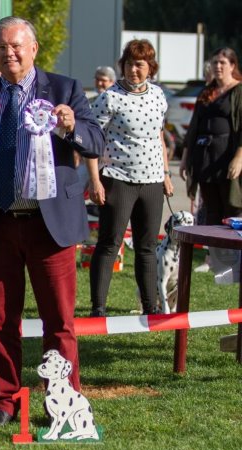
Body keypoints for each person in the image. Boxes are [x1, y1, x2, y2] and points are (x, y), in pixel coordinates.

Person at [0, 16, 104, 427]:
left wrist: (70, 126)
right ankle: (4, 402)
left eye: (15, 46)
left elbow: (96, 139)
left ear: (33, 48)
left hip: (50, 227)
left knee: (59, 323)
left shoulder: (64, 89)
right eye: (0, 47)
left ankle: (61, 403)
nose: (8, 53)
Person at [86, 39, 174, 317]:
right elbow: (90, 141)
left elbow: (158, 136)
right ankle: (98, 308)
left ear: (150, 68)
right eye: (128, 64)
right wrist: (95, 180)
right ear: (121, 66)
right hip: (117, 178)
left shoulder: (158, 95)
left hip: (152, 181)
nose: (133, 70)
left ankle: (150, 308)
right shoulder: (109, 97)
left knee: (147, 247)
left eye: (140, 64)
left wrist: (166, 174)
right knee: (110, 243)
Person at [180, 47, 242, 227]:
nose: (218, 66)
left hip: (227, 158)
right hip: (204, 158)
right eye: (215, 62)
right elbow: (193, 127)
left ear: (232, 65)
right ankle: (213, 254)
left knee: (231, 207)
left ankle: (231, 253)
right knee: (211, 210)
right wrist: (185, 159)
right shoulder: (206, 91)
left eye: (222, 62)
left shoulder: (238, 91)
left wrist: (239, 158)